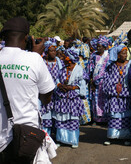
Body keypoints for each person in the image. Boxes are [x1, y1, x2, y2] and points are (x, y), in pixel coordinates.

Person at [0, 17, 56, 163]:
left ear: (4, 37)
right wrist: (36, 55)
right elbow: (46, 98)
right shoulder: (34, 59)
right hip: (26, 139)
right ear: (26, 38)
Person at [53, 48, 86, 148]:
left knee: (72, 120)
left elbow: (83, 83)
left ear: (70, 58)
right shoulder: (63, 69)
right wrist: (59, 85)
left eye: (65, 56)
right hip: (62, 99)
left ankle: (73, 140)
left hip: (73, 99)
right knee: (61, 119)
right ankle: (61, 139)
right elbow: (57, 79)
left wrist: (72, 87)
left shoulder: (79, 70)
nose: (63, 58)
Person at [103, 44, 131, 146]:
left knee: (125, 116)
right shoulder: (111, 66)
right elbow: (106, 78)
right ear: (117, 54)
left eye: (126, 53)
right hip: (114, 94)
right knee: (114, 116)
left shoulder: (130, 64)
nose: (125, 55)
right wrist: (111, 89)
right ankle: (112, 137)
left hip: (126, 94)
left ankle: (126, 137)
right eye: (122, 53)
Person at [40, 39, 64, 135]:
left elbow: (62, 75)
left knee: (56, 112)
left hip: (57, 91)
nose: (54, 52)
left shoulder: (59, 63)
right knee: (46, 111)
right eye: (51, 50)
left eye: (55, 50)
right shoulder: (42, 62)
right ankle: (46, 134)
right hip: (45, 90)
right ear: (46, 51)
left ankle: (55, 133)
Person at [89, 38, 110, 123]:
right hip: (95, 82)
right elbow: (90, 69)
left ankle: (104, 119)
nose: (98, 48)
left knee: (104, 100)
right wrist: (91, 82)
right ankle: (96, 119)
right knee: (96, 100)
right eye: (97, 47)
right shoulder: (93, 56)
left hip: (105, 82)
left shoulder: (108, 56)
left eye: (100, 47)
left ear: (104, 47)